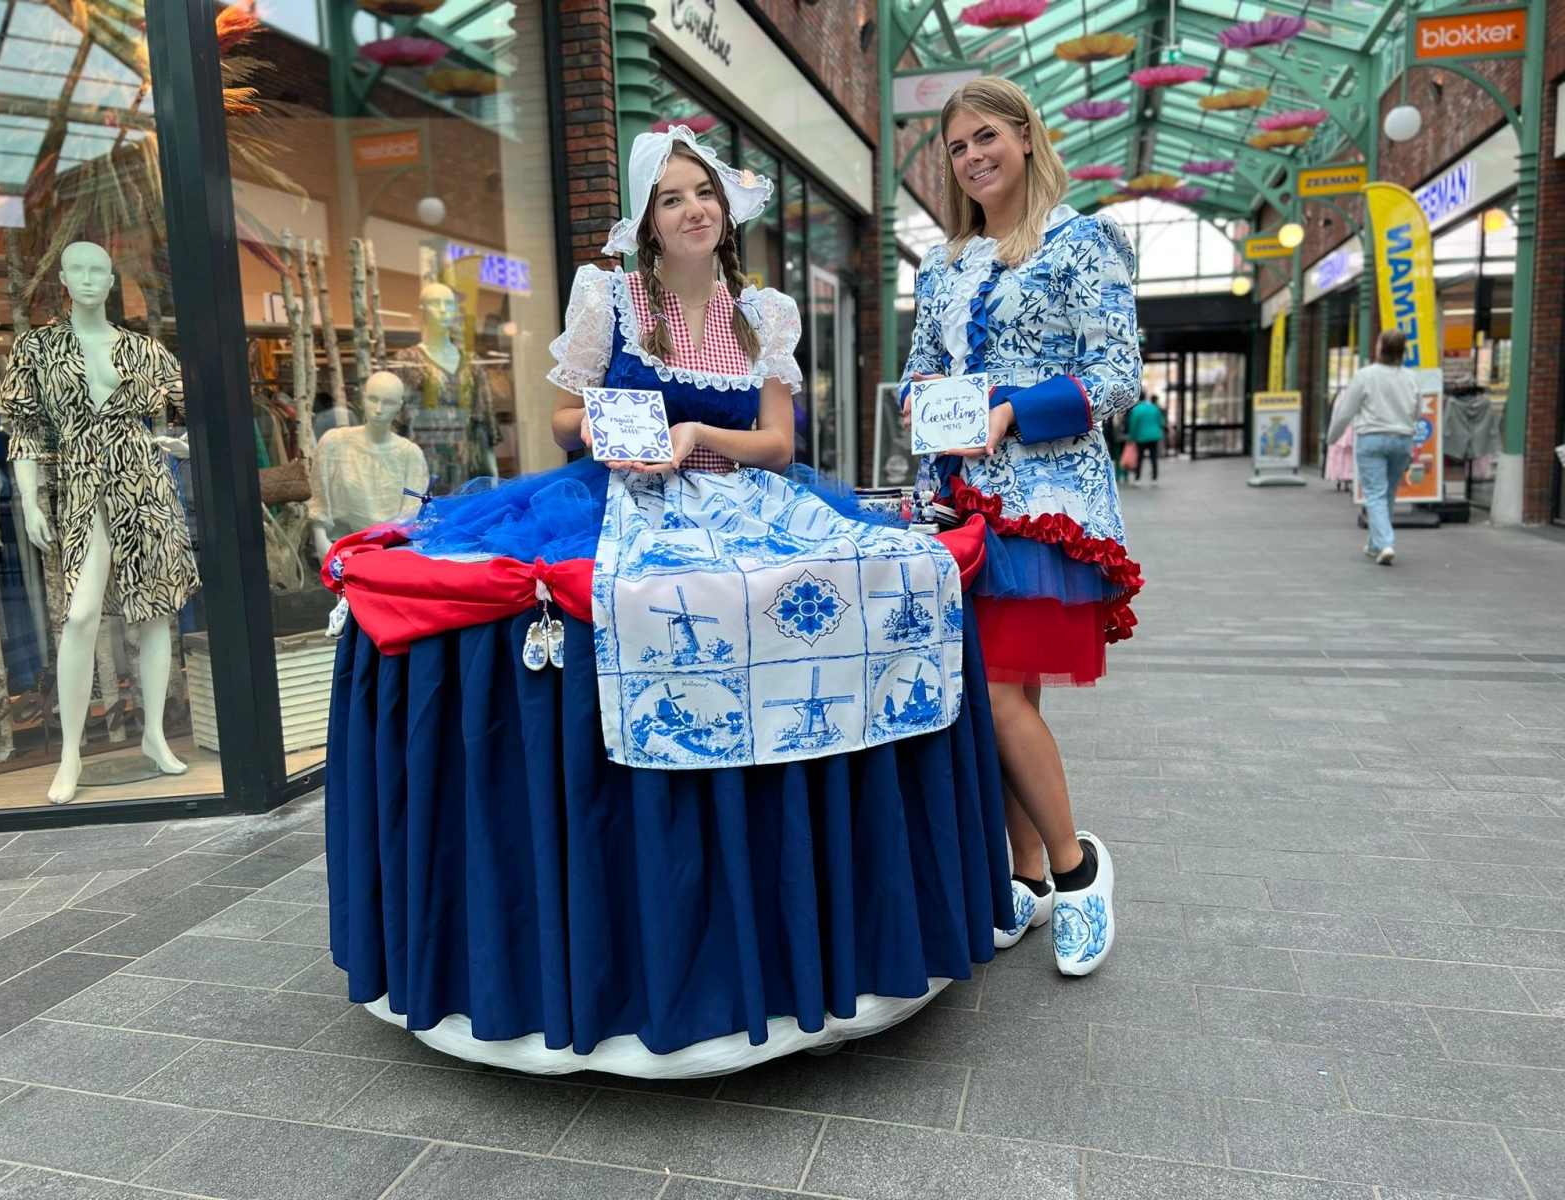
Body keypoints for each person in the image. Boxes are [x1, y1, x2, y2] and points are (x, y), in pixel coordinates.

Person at [321, 126, 1013, 1076]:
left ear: (726, 210)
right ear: (647, 221)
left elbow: (778, 442)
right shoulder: (609, 298)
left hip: (740, 497)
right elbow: (563, 418)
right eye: (672, 197)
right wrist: (618, 434)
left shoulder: (763, 313)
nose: (693, 210)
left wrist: (695, 435)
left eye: (705, 194)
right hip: (619, 498)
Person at [903, 76, 1141, 976]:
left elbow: (1118, 372)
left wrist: (1014, 410)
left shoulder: (1081, 242)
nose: (973, 157)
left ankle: (1078, 873)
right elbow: (920, 368)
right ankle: (1026, 875)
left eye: (987, 137)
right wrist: (922, 403)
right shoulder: (940, 264)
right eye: (958, 146)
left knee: (999, 690)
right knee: (998, 696)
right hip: (958, 500)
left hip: (1047, 504)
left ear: (1027, 137)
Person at [1327, 329, 1421, 565]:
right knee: (1388, 492)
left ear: (1381, 347)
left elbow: (1345, 412)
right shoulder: (1411, 378)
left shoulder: (1365, 375)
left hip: (1372, 438)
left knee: (1375, 493)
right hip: (1402, 439)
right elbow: (1417, 411)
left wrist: (1332, 437)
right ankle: (1375, 544)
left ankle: (1386, 542)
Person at [1127, 393, 1164, 485]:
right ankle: (1154, 478)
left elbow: (1133, 425)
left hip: (1141, 436)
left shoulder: (1136, 409)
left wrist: (1132, 437)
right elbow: (1160, 422)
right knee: (1153, 457)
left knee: (1140, 458)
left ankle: (1137, 478)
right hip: (1154, 436)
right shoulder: (1154, 408)